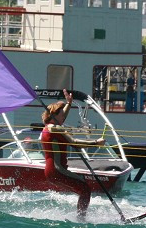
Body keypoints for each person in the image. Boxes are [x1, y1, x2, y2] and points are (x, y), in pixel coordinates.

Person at [41, 89, 106, 220]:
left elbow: (61, 114)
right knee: (85, 190)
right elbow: (75, 143)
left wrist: (68, 103)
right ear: (55, 115)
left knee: (83, 189)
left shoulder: (48, 127)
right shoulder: (56, 128)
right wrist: (96, 142)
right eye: (61, 115)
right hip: (57, 170)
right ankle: (80, 220)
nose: (64, 117)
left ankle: (79, 217)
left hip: (52, 171)